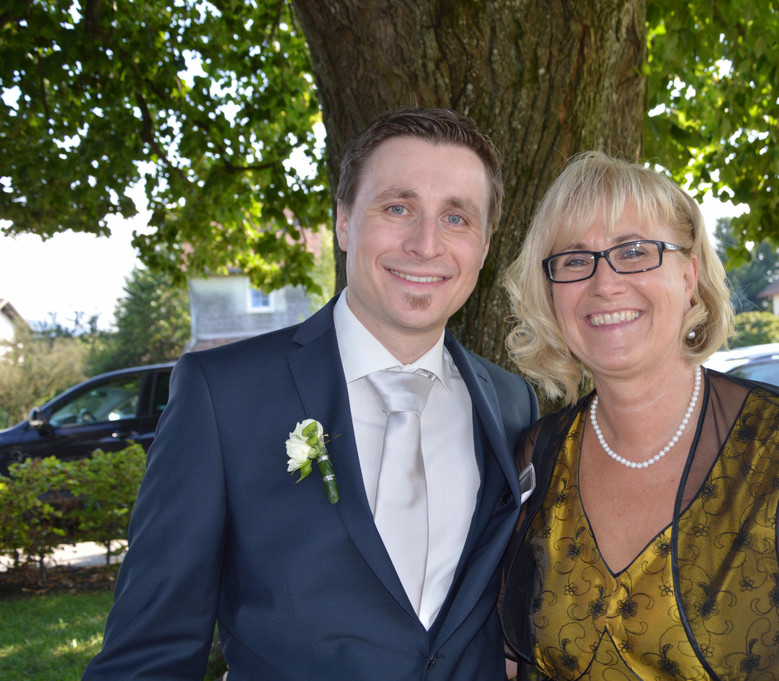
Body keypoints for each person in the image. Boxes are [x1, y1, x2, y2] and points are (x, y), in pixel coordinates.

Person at [82, 108, 538, 681]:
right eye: (398, 208)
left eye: (456, 218)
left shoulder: (513, 405)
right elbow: (149, 653)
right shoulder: (223, 396)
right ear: (344, 222)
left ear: (485, 246)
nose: (426, 244)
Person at [499, 151, 779, 680]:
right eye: (574, 260)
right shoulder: (538, 456)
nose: (604, 283)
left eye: (634, 252)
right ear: (549, 290)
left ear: (690, 276)